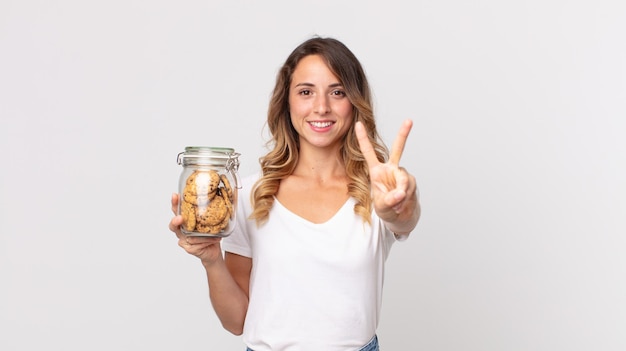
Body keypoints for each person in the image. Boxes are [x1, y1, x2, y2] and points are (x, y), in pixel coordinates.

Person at [169, 36, 420, 351]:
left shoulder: (380, 190)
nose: (321, 107)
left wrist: (400, 206)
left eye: (338, 92)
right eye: (306, 92)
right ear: (286, 102)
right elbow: (236, 322)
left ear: (354, 102)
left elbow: (405, 218)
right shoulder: (248, 194)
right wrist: (211, 261)